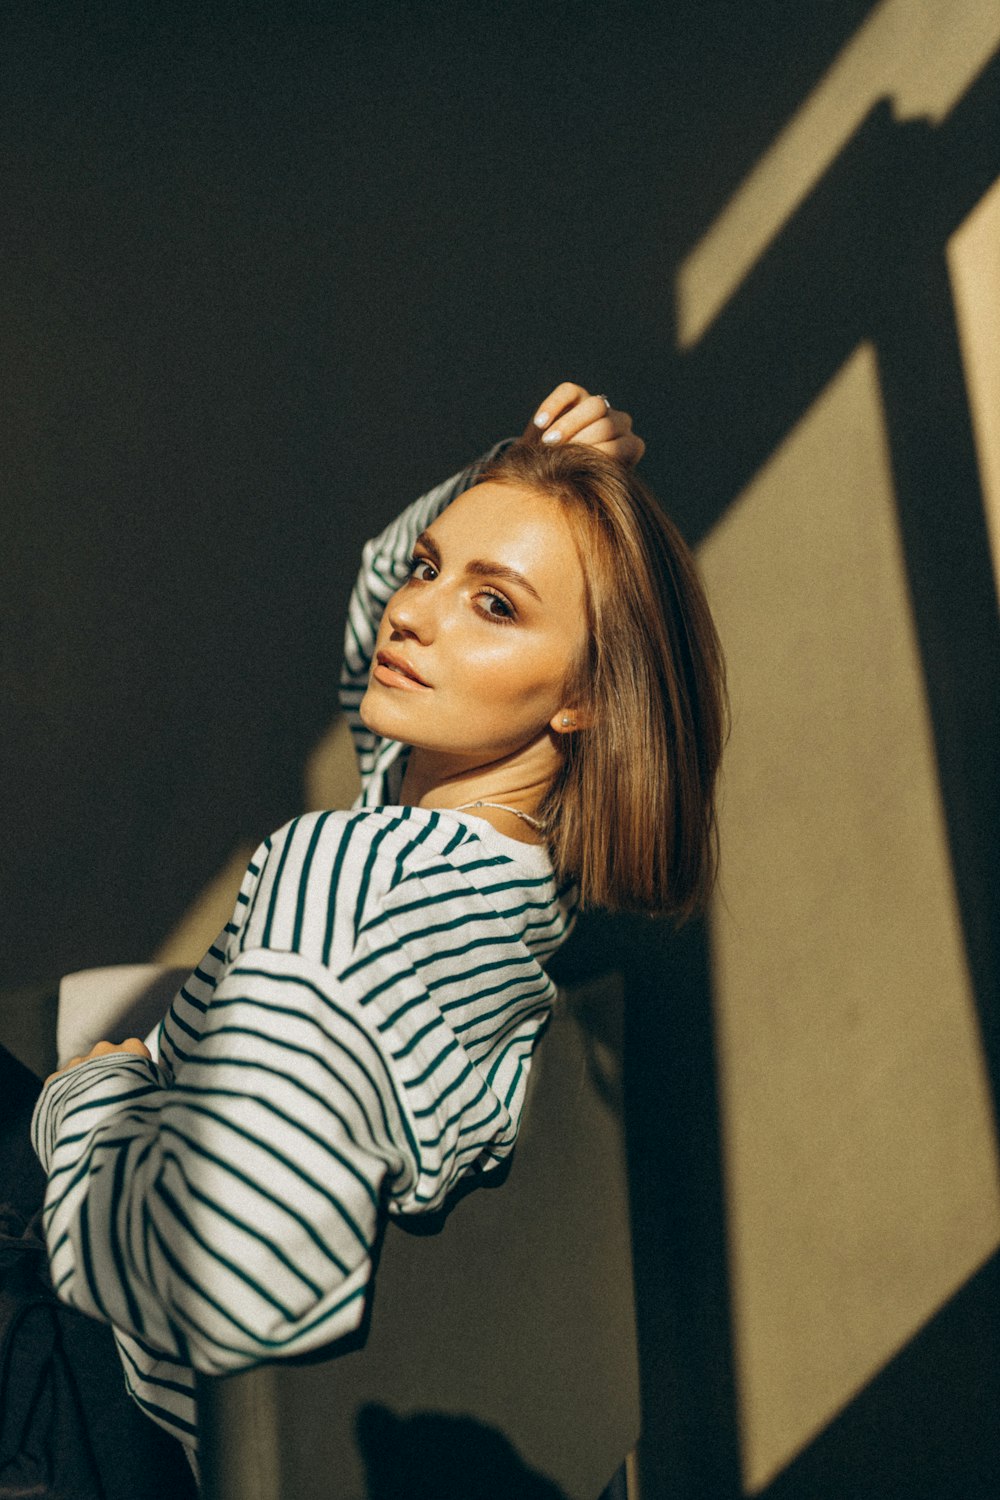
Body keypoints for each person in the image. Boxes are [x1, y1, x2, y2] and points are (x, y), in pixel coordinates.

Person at [27, 382, 727, 1477]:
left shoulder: (345, 876)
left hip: (105, 1385)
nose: (413, 611)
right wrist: (522, 471)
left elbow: (229, 1282)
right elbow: (376, 613)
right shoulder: (514, 879)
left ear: (582, 697)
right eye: (429, 568)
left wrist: (91, 1099)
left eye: (495, 606)